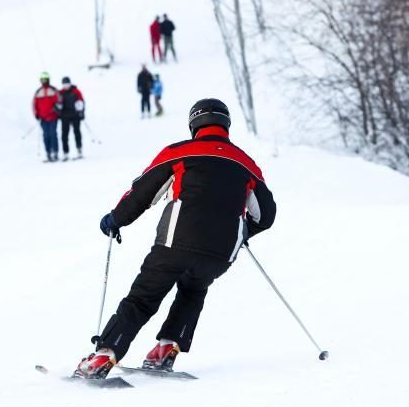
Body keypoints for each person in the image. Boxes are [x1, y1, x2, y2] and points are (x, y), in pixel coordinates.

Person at [73, 99, 277, 379]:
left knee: (143, 298)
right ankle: (167, 348)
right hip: (219, 254)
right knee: (194, 290)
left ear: (194, 123)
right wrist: (240, 234)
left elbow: (143, 191)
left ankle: (104, 355)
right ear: (226, 125)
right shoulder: (246, 163)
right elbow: (265, 216)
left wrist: (116, 219)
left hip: (175, 243)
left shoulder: (179, 152)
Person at [33, 71, 60, 162]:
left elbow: (59, 101)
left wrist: (57, 108)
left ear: (48, 79)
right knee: (46, 135)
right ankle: (48, 152)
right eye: (42, 79)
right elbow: (35, 104)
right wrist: (36, 114)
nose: (43, 81)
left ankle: (55, 152)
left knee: (53, 134)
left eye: (45, 79)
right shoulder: (38, 92)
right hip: (43, 118)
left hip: (53, 117)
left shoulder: (53, 90)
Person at [57, 76, 85, 160]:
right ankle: (65, 153)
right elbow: (58, 103)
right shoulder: (60, 92)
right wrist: (58, 110)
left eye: (67, 84)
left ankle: (79, 150)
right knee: (64, 134)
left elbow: (81, 102)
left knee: (77, 132)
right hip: (64, 116)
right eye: (64, 84)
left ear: (70, 83)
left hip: (75, 115)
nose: (66, 86)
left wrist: (81, 113)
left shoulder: (76, 91)